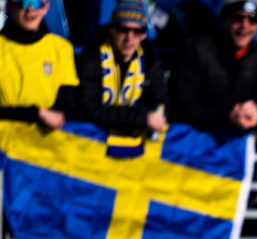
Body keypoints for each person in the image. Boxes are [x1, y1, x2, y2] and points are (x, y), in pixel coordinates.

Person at [76, 0, 169, 154]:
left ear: (144, 35)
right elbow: (87, 110)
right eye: (123, 30)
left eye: (137, 31)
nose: (129, 38)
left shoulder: (150, 60)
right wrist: (141, 117)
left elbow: (161, 104)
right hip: (89, 149)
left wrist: (150, 116)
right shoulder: (90, 58)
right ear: (111, 29)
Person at [170, 0, 257, 132]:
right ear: (225, 20)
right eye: (237, 18)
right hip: (192, 141)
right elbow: (181, 106)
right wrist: (229, 116)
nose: (245, 26)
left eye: (253, 19)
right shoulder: (195, 50)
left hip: (234, 143)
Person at [0, 0, 77, 130]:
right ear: (11, 6)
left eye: (36, 3)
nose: (30, 9)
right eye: (23, 3)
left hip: (44, 143)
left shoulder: (62, 49)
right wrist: (37, 114)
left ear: (46, 7)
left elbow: (67, 108)